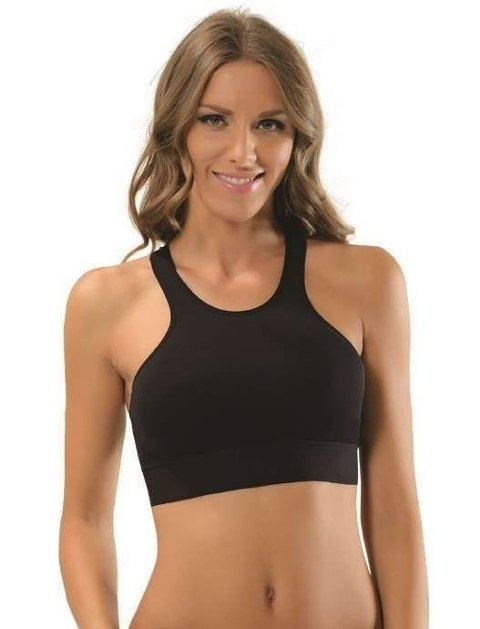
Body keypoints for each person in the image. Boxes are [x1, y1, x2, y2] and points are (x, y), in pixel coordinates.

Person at [58, 7, 429, 629]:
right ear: (177, 129)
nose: (243, 152)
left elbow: (395, 511)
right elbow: (85, 520)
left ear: (297, 136)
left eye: (269, 124)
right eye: (214, 120)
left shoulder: (368, 282)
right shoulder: (106, 303)